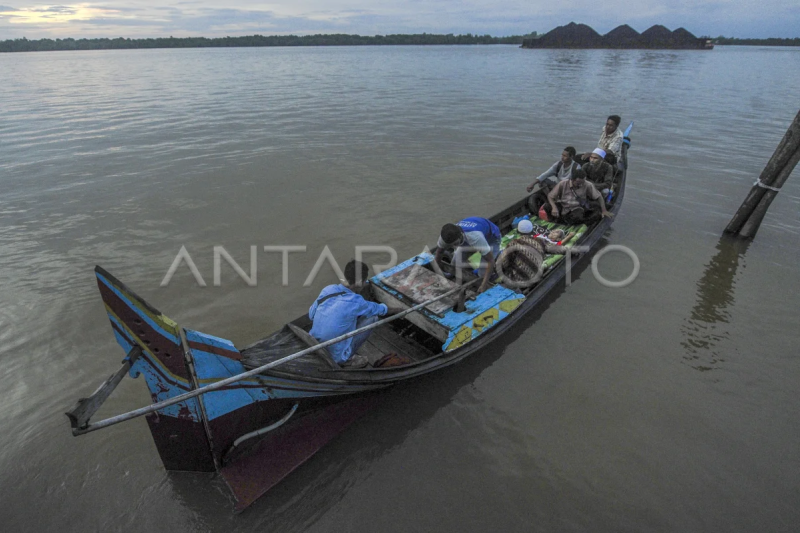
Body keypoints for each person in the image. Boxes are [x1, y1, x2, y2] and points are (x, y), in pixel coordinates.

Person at [309, 260, 389, 367]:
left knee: (347, 317)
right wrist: (397, 310)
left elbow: (311, 315)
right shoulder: (355, 301)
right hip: (335, 356)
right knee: (373, 318)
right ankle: (346, 359)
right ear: (360, 281)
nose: (365, 284)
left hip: (313, 342)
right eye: (365, 281)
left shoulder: (328, 289)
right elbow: (379, 309)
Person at [496, 220, 572, 288]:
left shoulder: (513, 243)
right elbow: (561, 249)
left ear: (518, 232)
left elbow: (504, 264)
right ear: (532, 230)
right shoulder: (541, 241)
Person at [435, 217, 501, 294]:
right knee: (455, 264)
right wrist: (438, 272)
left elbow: (490, 260)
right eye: (451, 245)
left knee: (482, 275)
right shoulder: (444, 238)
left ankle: (494, 273)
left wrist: (484, 285)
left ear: (460, 235)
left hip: (491, 239)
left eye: (455, 244)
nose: (454, 247)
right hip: (469, 239)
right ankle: (462, 271)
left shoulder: (475, 237)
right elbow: (439, 253)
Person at [544, 168, 614, 225]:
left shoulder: (588, 185)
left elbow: (599, 197)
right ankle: (554, 220)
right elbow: (550, 196)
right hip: (563, 205)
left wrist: (604, 210)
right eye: (578, 183)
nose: (581, 185)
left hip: (576, 207)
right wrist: (554, 207)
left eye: (582, 182)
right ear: (572, 180)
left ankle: (569, 222)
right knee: (547, 206)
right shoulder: (563, 183)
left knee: (578, 217)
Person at [526, 147, 581, 213]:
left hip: (568, 189)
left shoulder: (576, 167)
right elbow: (545, 174)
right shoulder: (559, 164)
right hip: (557, 186)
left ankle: (559, 201)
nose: (562, 157)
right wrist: (532, 184)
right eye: (562, 155)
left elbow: (578, 184)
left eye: (565, 156)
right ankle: (551, 199)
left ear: (571, 156)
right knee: (542, 181)